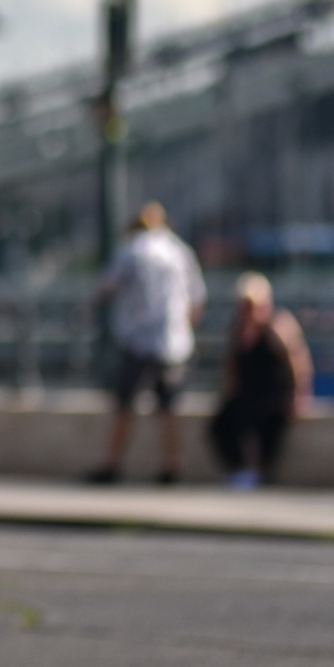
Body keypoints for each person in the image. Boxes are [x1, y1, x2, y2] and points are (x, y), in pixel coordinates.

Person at [85, 201, 205, 485]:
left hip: (137, 338)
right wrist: (183, 326)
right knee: (168, 407)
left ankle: (112, 464)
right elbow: (197, 299)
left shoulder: (131, 250)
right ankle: (171, 466)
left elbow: (106, 288)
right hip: (172, 341)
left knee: (124, 405)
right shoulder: (179, 251)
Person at [210, 273, 311, 489]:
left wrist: (299, 396)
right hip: (248, 391)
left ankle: (258, 473)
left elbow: (298, 363)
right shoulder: (237, 329)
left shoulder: (278, 326)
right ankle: (239, 469)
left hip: (273, 393)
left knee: (263, 426)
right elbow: (232, 361)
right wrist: (230, 386)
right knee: (221, 425)